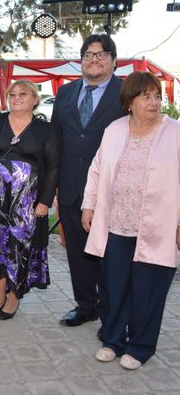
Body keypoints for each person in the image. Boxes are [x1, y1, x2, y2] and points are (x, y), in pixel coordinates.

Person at [82, 71, 180, 370]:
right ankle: (112, 340)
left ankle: (140, 347)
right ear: (129, 102)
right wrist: (89, 205)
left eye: (157, 96)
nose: (154, 102)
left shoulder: (174, 131)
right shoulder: (114, 129)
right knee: (115, 285)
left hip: (157, 226)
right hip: (116, 223)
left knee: (148, 290)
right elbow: (97, 168)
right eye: (145, 96)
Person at [51, 34, 125, 330]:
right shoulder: (66, 93)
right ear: (80, 61)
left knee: (108, 255)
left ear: (113, 61)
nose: (94, 60)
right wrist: (53, 186)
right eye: (88, 55)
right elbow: (57, 139)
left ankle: (112, 313)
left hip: (111, 189)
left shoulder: (124, 92)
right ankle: (86, 306)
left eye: (101, 54)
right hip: (70, 187)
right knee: (78, 255)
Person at [0, 80, 58, 320]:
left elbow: (53, 167)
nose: (16, 97)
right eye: (12, 94)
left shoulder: (46, 129)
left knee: (20, 245)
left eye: (23, 94)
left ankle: (14, 295)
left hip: (27, 200)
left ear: (35, 100)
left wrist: (45, 200)